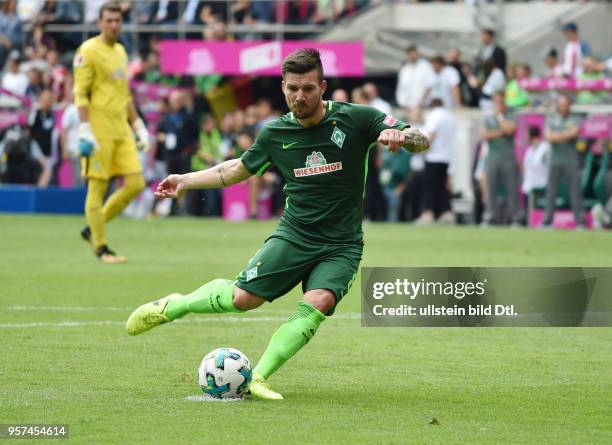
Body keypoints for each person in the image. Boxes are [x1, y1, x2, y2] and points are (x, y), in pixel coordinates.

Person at [125, 48, 429, 400]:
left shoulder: (357, 118)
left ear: (323, 87)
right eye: (293, 88)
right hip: (294, 236)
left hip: (342, 244)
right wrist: (185, 180)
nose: (300, 96)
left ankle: (258, 377)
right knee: (243, 299)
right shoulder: (274, 133)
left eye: (308, 88)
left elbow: (421, 139)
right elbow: (234, 170)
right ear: (283, 88)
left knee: (320, 301)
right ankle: (173, 306)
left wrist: (400, 137)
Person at [74, 1, 150, 263]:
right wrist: (84, 128)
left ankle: (94, 226)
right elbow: (80, 93)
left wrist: (138, 125)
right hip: (98, 131)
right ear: (100, 22)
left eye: (117, 20)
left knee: (137, 183)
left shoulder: (120, 50)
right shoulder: (88, 50)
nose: (114, 25)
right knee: (97, 189)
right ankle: (101, 248)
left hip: (121, 129)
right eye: (109, 20)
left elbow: (125, 93)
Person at [542, 95, 585, 229]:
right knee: (551, 191)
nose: (563, 107)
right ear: (557, 105)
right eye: (561, 104)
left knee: (575, 191)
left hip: (571, 160)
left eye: (565, 104)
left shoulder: (575, 118)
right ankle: (547, 221)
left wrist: (557, 135)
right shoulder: (551, 118)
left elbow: (573, 133)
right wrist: (563, 135)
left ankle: (580, 222)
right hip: (555, 159)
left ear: (569, 105)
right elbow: (548, 136)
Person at [480, 92, 521, 226]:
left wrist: (500, 118)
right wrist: (500, 132)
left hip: (508, 157)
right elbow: (484, 135)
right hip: (493, 156)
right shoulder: (488, 118)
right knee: (490, 187)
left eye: (500, 102)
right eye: (495, 102)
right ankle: (490, 216)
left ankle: (514, 217)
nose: (498, 105)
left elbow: (510, 130)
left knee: (511, 188)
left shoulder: (510, 115)